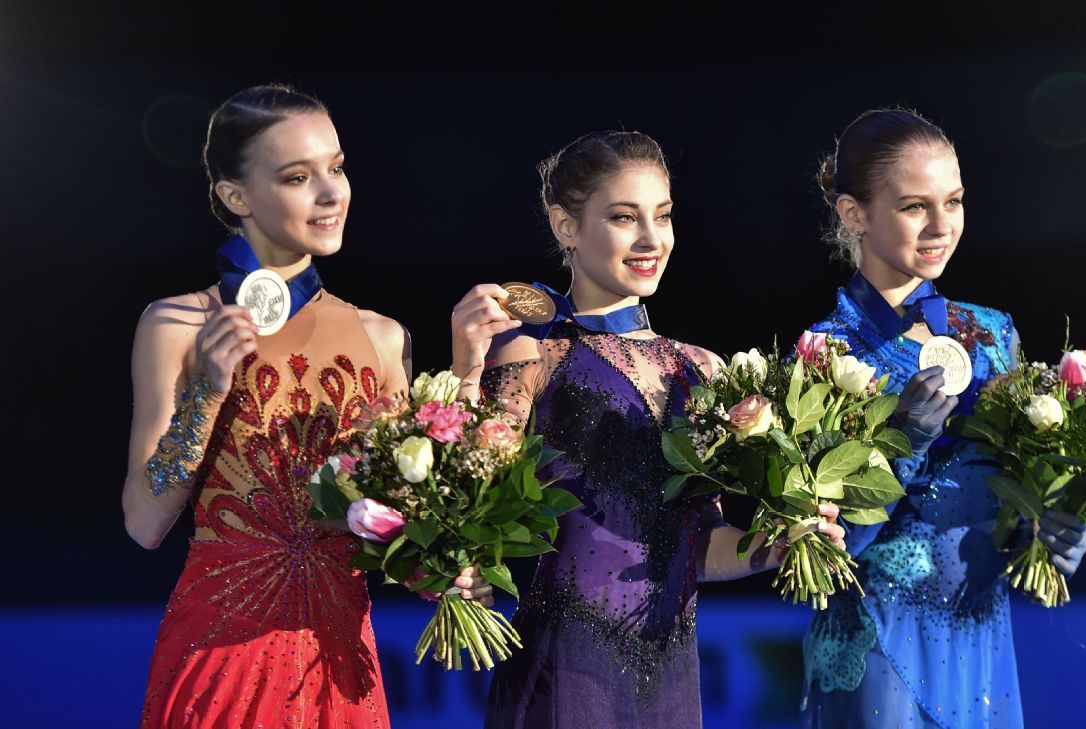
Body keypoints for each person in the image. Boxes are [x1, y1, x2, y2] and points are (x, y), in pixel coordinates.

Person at [447, 131, 846, 729]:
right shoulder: (534, 353)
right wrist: (466, 367)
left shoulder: (702, 368)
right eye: (623, 218)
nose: (650, 239)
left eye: (662, 216)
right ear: (565, 227)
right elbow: (468, 498)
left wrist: (784, 542)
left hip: (669, 671)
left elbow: (698, 547)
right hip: (564, 667)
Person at [121, 84, 488, 727]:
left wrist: (451, 574)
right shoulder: (179, 324)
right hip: (220, 658)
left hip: (339, 666)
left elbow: (393, 534)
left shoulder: (381, 337)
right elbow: (144, 522)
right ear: (236, 196)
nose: (331, 193)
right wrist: (207, 389)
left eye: (337, 168)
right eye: (298, 176)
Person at [799, 109, 1086, 729]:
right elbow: (828, 547)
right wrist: (901, 445)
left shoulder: (992, 334)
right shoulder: (825, 353)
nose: (941, 226)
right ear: (854, 214)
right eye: (913, 207)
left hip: (980, 640)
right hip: (879, 642)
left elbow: (1008, 499)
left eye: (953, 201)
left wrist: (1047, 530)